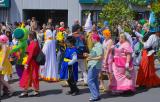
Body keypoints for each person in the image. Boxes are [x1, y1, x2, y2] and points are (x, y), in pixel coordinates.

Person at [19, 31, 40, 97]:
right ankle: (33, 90)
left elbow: (30, 55)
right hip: (33, 62)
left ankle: (27, 91)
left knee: (28, 76)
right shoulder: (34, 42)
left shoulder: (33, 43)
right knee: (32, 76)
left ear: (30, 36)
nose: (27, 36)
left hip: (31, 62)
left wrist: (27, 63)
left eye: (28, 35)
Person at [84, 33, 103, 101]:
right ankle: (96, 95)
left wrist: (90, 58)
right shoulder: (96, 46)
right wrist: (88, 55)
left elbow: (100, 57)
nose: (91, 40)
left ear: (95, 39)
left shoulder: (99, 46)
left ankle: (95, 96)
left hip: (94, 65)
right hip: (93, 65)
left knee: (89, 81)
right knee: (94, 81)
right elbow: (94, 55)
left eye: (92, 38)